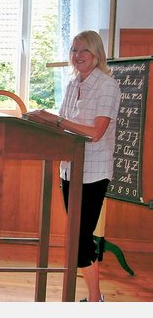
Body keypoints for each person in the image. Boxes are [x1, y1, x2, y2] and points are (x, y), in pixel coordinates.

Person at [27, 30, 121, 302]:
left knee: (80, 240)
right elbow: (66, 124)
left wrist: (55, 120)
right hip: (69, 168)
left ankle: (95, 300)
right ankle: (95, 299)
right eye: (74, 50)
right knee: (79, 237)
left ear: (97, 55)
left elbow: (95, 133)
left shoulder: (107, 86)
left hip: (93, 172)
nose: (78, 56)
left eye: (85, 51)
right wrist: (42, 120)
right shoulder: (71, 84)